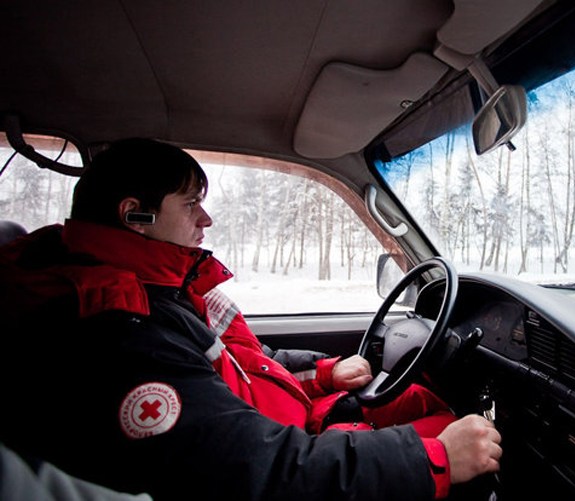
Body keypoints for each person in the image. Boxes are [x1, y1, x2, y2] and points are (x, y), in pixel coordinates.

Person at [0, 138, 502, 500]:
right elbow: (245, 471)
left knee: (422, 402)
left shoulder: (157, 290)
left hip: (276, 431)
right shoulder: (116, 327)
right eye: (192, 203)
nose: (206, 219)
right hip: (275, 459)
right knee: (454, 438)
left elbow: (242, 363)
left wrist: (323, 373)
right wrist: (432, 460)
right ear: (136, 216)